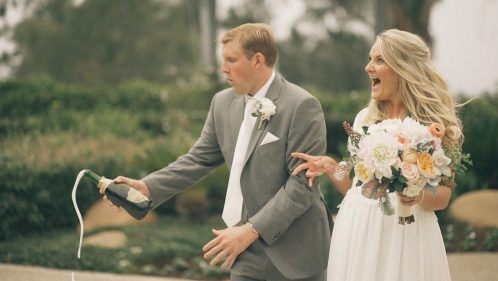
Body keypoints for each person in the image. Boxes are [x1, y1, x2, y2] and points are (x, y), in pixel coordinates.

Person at [107, 23, 333, 281]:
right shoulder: (221, 103)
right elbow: (198, 159)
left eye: (231, 60)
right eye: (222, 60)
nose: (223, 68)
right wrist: (146, 187)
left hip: (297, 254)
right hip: (244, 251)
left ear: (257, 60)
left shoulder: (302, 105)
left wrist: (251, 230)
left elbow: (301, 185)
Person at [292, 29, 464, 281]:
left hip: (407, 234)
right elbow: (356, 186)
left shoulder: (434, 126)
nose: (367, 67)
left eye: (378, 60)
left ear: (402, 67)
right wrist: (331, 167)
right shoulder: (364, 118)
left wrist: (415, 196)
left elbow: (443, 197)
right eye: (370, 59)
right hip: (358, 229)